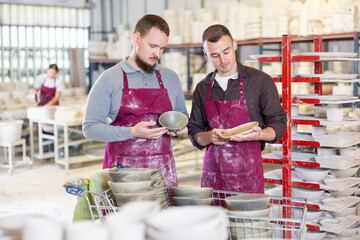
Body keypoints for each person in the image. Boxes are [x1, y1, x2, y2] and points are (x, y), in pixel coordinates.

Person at [82, 14, 188, 187]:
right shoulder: (109, 79)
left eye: (162, 48)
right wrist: (131, 132)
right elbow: (89, 128)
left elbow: (181, 116)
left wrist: (177, 128)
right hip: (122, 176)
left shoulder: (170, 78)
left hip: (162, 174)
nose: (157, 54)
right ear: (136, 39)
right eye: (153, 46)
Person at [187, 24, 286, 193]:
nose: (223, 60)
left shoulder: (260, 81)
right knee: (216, 219)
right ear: (206, 54)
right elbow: (194, 132)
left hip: (248, 175)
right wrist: (209, 136)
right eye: (215, 55)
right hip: (213, 178)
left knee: (246, 219)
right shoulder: (203, 88)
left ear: (235, 44)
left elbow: (279, 124)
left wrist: (260, 134)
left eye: (226, 52)